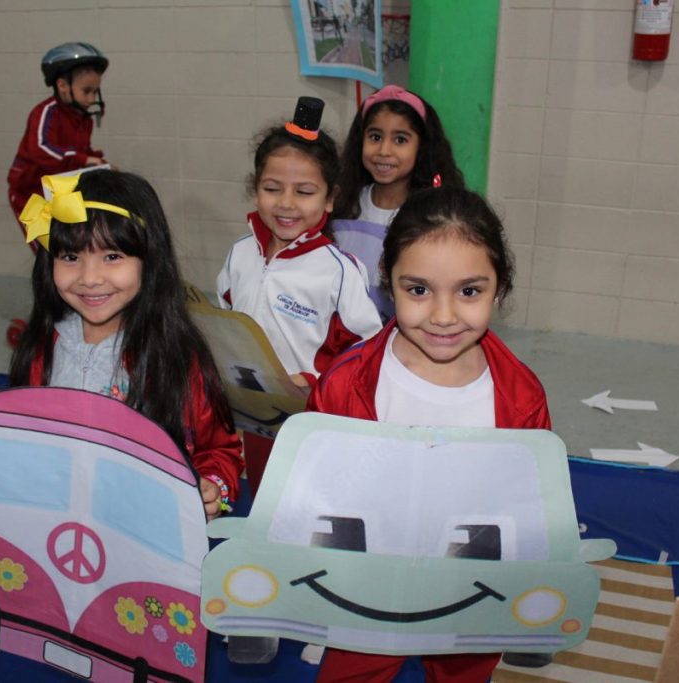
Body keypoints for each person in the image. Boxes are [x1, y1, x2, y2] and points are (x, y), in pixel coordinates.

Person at [309, 186, 552, 682]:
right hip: (368, 586)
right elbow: (313, 488)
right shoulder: (347, 383)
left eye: (469, 291)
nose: (443, 316)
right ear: (388, 282)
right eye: (418, 290)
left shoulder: (520, 396)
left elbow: (533, 506)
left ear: (499, 287)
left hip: (471, 587)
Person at [9, 169, 243, 519]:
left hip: (142, 526)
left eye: (112, 256)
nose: (89, 278)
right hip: (53, 522)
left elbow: (219, 451)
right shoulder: (42, 346)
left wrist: (214, 489)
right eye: (71, 257)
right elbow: (20, 436)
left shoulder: (175, 357)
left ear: (149, 260)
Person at [216, 96, 382, 389]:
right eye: (272, 188)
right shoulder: (239, 253)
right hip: (246, 400)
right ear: (255, 190)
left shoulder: (339, 273)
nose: (286, 203)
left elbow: (366, 353)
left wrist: (311, 381)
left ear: (329, 199)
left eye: (304, 192)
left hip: (308, 406)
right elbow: (225, 324)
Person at [331, 85, 465, 321]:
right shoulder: (343, 204)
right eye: (375, 137)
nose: (384, 151)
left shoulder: (431, 215)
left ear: (422, 148)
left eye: (400, 140)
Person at [7, 42, 111, 249]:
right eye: (86, 91)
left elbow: (79, 153)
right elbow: (41, 149)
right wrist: (84, 159)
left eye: (95, 91)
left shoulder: (83, 119)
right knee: (47, 252)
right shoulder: (47, 112)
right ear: (62, 85)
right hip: (31, 194)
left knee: (72, 249)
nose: (92, 98)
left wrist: (99, 164)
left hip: (60, 192)